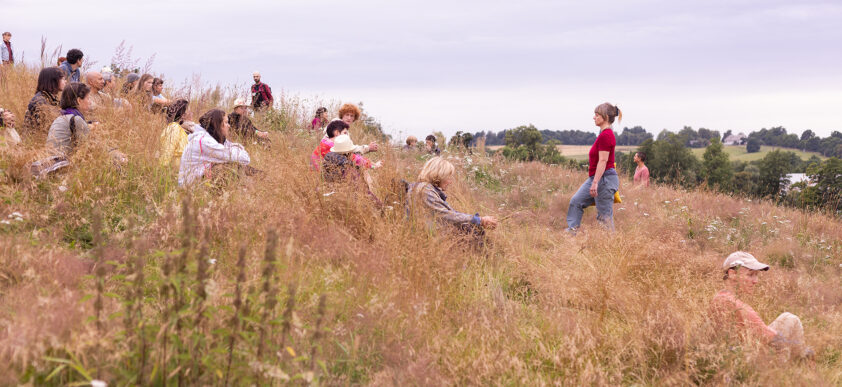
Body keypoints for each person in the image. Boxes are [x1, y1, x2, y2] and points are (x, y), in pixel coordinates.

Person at [711, 251, 813, 359]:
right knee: (790, 319)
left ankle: (799, 362)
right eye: (750, 275)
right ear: (732, 274)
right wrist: (798, 347)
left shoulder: (719, 298)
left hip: (734, 356)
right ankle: (800, 364)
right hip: (746, 362)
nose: (756, 281)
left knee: (787, 321)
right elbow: (773, 339)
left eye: (756, 275)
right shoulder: (735, 304)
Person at [406, 157, 497, 238]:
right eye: (448, 177)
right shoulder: (425, 190)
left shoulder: (423, 188)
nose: (450, 182)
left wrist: (477, 220)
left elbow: (450, 213)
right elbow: (447, 215)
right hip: (427, 238)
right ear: (439, 175)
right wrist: (478, 220)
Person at [565, 103, 621, 233]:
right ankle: (572, 232)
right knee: (576, 202)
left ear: (605, 117)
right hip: (596, 178)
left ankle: (611, 246)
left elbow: (603, 160)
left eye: (597, 115)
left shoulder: (606, 135)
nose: (594, 118)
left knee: (604, 217)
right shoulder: (602, 134)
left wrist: (595, 183)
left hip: (604, 179)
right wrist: (594, 181)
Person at [178, 109, 253, 186]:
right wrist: (237, 148)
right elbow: (244, 158)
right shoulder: (204, 141)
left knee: (236, 166)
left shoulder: (212, 138)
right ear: (217, 124)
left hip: (197, 180)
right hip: (189, 186)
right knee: (228, 168)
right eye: (226, 122)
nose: (229, 126)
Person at [311, 120, 382, 171]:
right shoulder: (332, 146)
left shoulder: (325, 142)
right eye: (345, 133)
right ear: (337, 133)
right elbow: (355, 159)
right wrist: (374, 166)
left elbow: (354, 156)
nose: (347, 136)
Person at [24, 67, 66, 134]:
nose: (65, 81)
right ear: (53, 81)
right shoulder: (40, 101)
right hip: (36, 139)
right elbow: (48, 125)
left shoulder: (50, 97)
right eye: (62, 79)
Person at [158, 99, 194, 167]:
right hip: (173, 172)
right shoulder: (174, 127)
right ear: (183, 115)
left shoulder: (184, 130)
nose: (192, 113)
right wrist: (163, 169)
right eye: (190, 111)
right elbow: (167, 151)